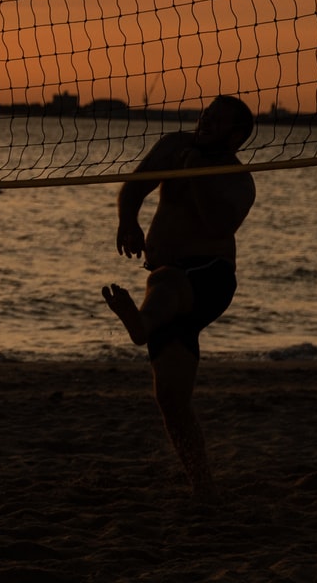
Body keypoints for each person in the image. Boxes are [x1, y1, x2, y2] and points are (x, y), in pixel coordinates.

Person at [101, 94, 257, 500]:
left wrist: (195, 174)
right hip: (165, 278)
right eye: (206, 114)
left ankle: (141, 325)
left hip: (209, 276)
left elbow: (217, 222)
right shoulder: (175, 145)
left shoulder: (239, 180)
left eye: (217, 120)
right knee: (170, 397)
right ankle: (202, 484)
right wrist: (128, 221)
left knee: (166, 283)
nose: (205, 121)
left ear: (237, 136)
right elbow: (136, 185)